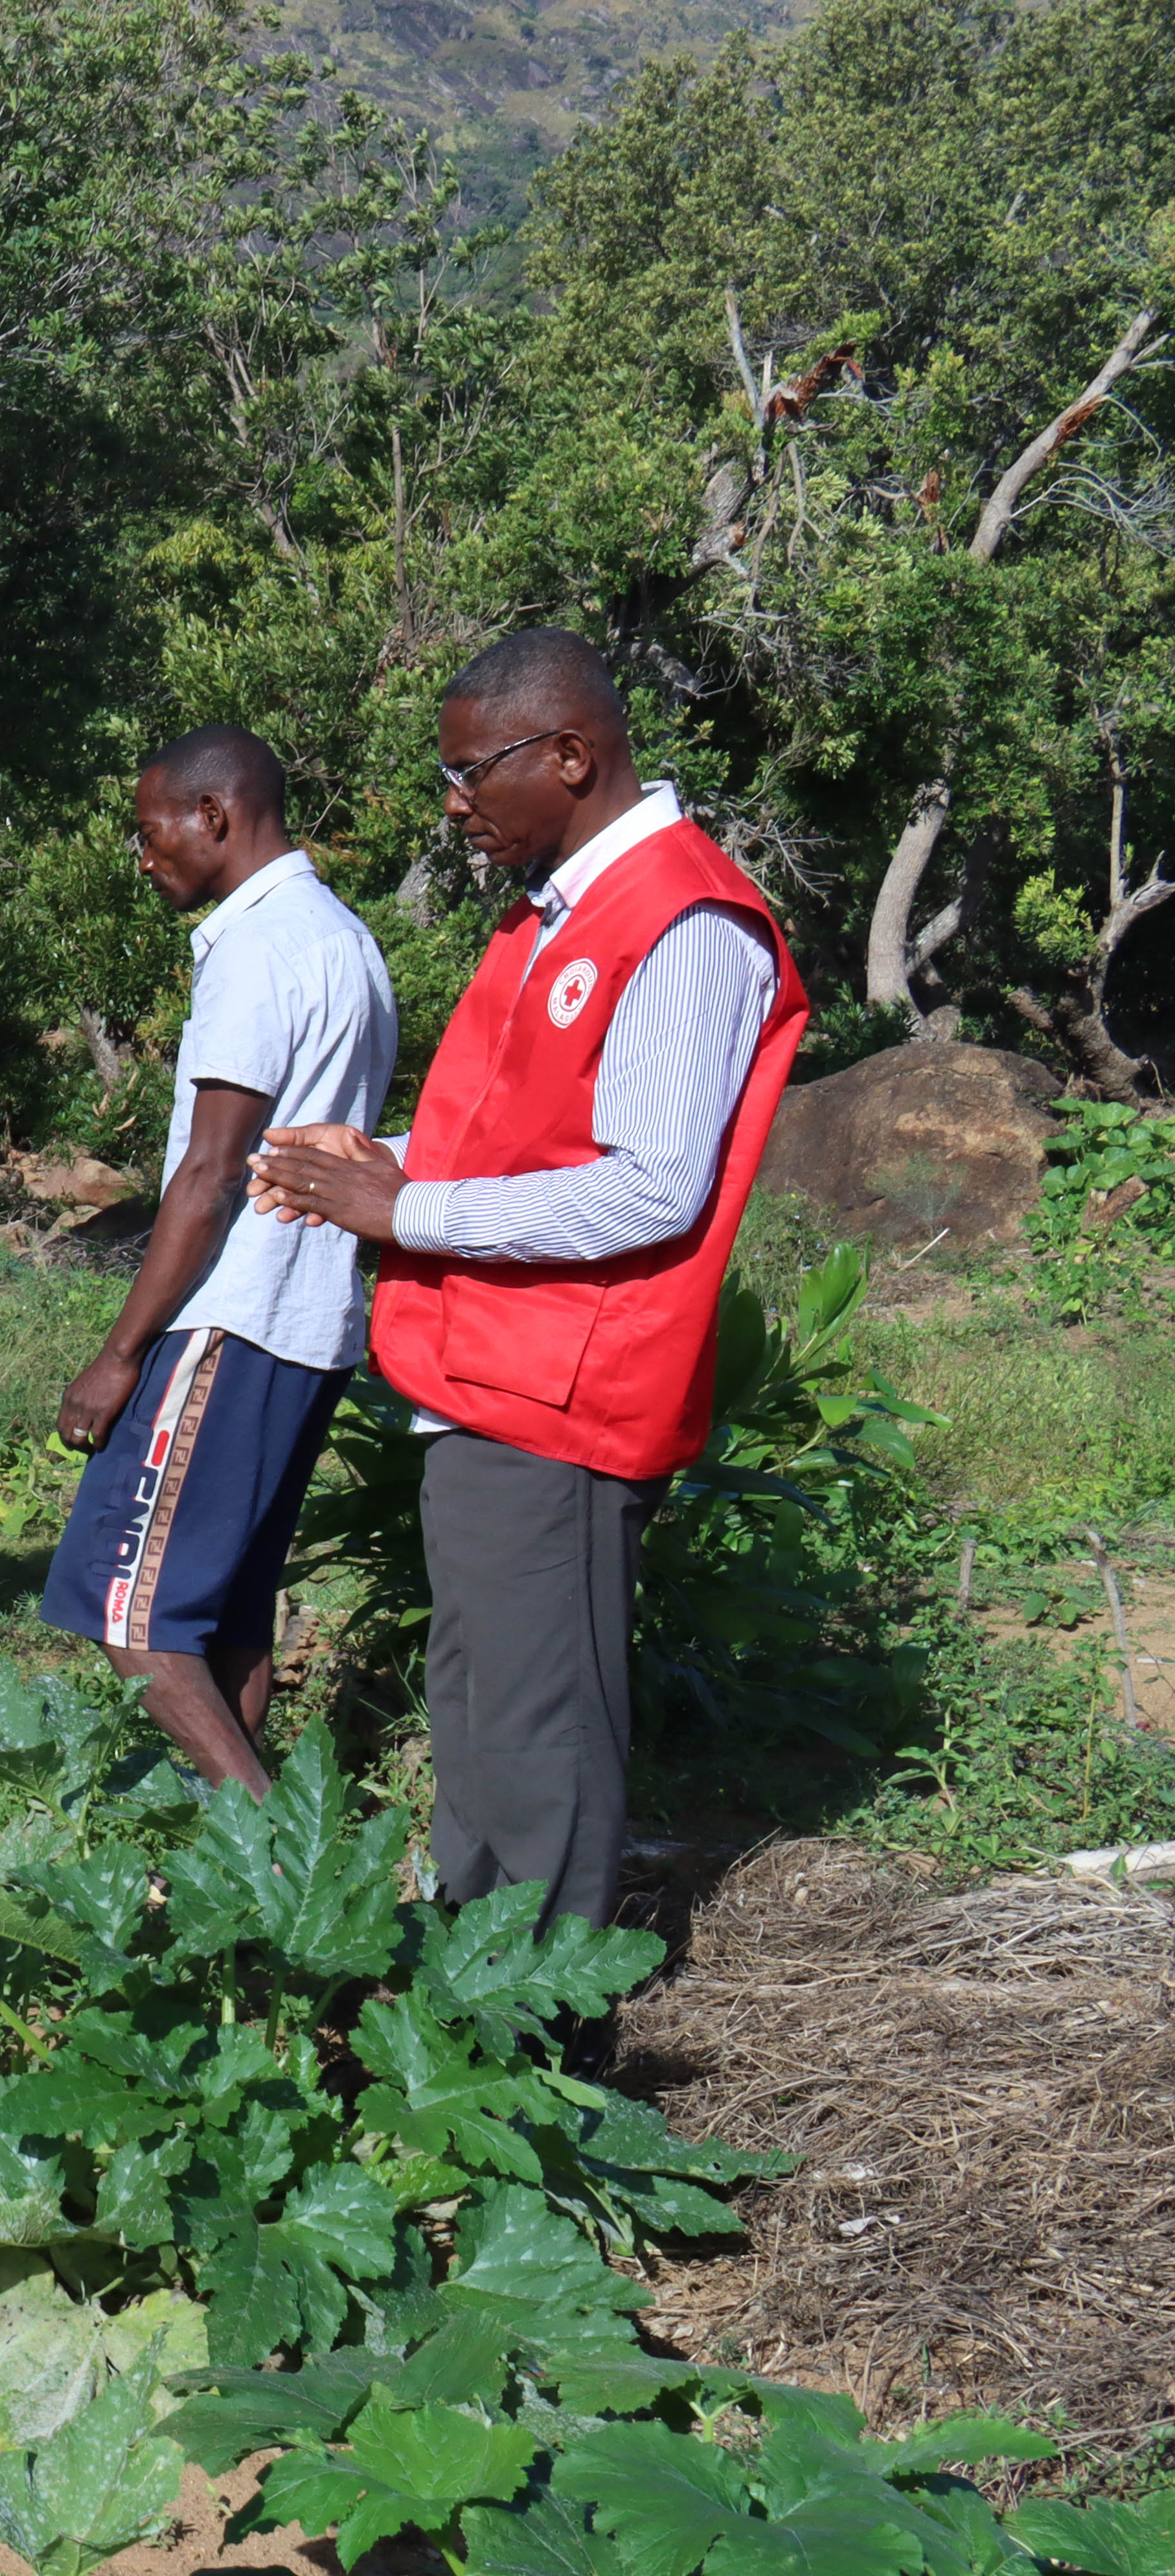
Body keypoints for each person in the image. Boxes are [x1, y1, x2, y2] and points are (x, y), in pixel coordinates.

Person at [251, 628, 808, 1927]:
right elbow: (530, 1144)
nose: (454, 807)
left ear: (570, 754)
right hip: (492, 1378)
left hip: (565, 1390)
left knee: (539, 1726)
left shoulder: (680, 917)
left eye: (470, 773)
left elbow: (652, 1182)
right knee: (486, 1705)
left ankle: (549, 2039)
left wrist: (406, 1205)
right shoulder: (564, 915)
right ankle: (477, 1990)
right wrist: (377, 1161)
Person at [38, 726, 398, 1789]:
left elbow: (211, 1171)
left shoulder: (258, 947)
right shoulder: (343, 937)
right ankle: (233, 1873)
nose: (143, 857)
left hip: (232, 1313)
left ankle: (282, 1861)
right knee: (225, 1616)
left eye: (151, 834)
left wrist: (119, 1353)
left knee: (127, 1607)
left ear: (214, 816)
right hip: (310, 1317)